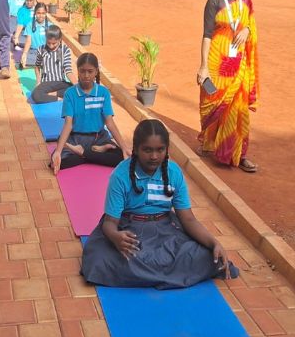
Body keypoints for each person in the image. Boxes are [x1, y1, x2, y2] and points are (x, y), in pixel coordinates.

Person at [80, 119, 239, 288]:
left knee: (210, 256)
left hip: (165, 231)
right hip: (130, 231)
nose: (154, 156)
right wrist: (116, 237)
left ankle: (146, 274)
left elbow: (188, 219)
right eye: (147, 150)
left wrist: (214, 243)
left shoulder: (174, 172)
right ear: (136, 149)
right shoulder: (120, 175)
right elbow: (110, 222)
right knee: (98, 260)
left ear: (166, 149)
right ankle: (167, 274)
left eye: (160, 150)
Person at [196, 0, 259, 173]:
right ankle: (209, 142)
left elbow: (251, 23)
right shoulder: (214, 0)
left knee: (238, 109)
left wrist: (247, 30)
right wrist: (203, 66)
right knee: (211, 103)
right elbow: (207, 35)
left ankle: (239, 154)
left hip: (239, 62)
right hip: (217, 61)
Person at [50, 53, 131, 173]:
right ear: (78, 71)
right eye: (82, 71)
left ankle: (83, 152)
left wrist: (124, 147)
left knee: (121, 158)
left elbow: (109, 122)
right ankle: (92, 153)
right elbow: (68, 124)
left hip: (99, 139)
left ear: (96, 71)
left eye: (90, 71)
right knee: (55, 162)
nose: (86, 75)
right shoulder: (70, 93)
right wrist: (57, 152)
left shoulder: (103, 92)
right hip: (76, 139)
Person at [31, 25, 74, 104]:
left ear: (59, 40)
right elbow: (37, 66)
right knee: (35, 95)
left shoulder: (65, 50)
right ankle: (58, 98)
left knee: (73, 88)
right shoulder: (41, 49)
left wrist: (78, 86)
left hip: (60, 82)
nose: (51, 46)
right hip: (46, 83)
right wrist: (38, 82)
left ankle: (52, 94)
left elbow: (68, 71)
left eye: (54, 43)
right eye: (48, 43)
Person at [20, 2, 50, 69]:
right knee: (24, 61)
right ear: (35, 13)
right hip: (33, 53)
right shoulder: (30, 25)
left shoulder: (50, 26)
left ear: (46, 13)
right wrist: (24, 54)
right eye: (38, 13)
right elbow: (28, 41)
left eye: (43, 13)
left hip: (46, 53)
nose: (41, 15)